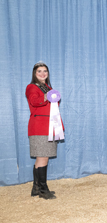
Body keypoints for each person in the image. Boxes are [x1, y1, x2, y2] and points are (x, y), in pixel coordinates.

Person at [25, 61, 64, 200]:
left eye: (45, 71)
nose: (43, 73)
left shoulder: (47, 87)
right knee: (43, 157)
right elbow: (35, 101)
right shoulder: (31, 87)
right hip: (40, 127)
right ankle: (43, 189)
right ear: (35, 74)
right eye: (39, 71)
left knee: (42, 157)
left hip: (49, 126)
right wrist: (46, 97)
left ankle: (36, 188)